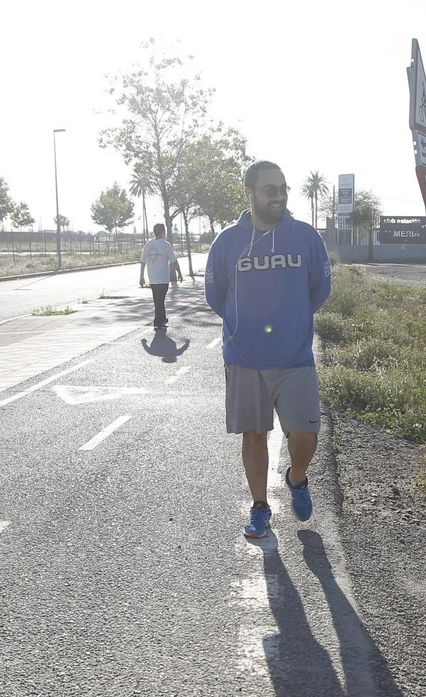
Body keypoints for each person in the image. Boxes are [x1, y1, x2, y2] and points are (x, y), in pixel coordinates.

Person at [204, 160, 332, 539]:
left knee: (305, 434)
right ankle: (260, 507)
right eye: (270, 190)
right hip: (244, 359)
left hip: (295, 358)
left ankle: (297, 478)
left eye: (283, 189)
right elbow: (215, 294)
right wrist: (245, 328)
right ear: (250, 193)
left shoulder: (306, 237)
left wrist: (291, 322)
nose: (279, 196)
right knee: (254, 435)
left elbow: (320, 289)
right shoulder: (227, 241)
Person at [139, 223, 183, 329]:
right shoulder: (166, 245)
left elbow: (143, 262)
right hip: (163, 278)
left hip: (152, 278)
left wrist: (141, 276)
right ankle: (158, 320)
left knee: (158, 299)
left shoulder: (148, 245)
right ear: (163, 232)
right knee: (160, 299)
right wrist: (179, 273)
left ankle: (162, 318)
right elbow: (174, 261)